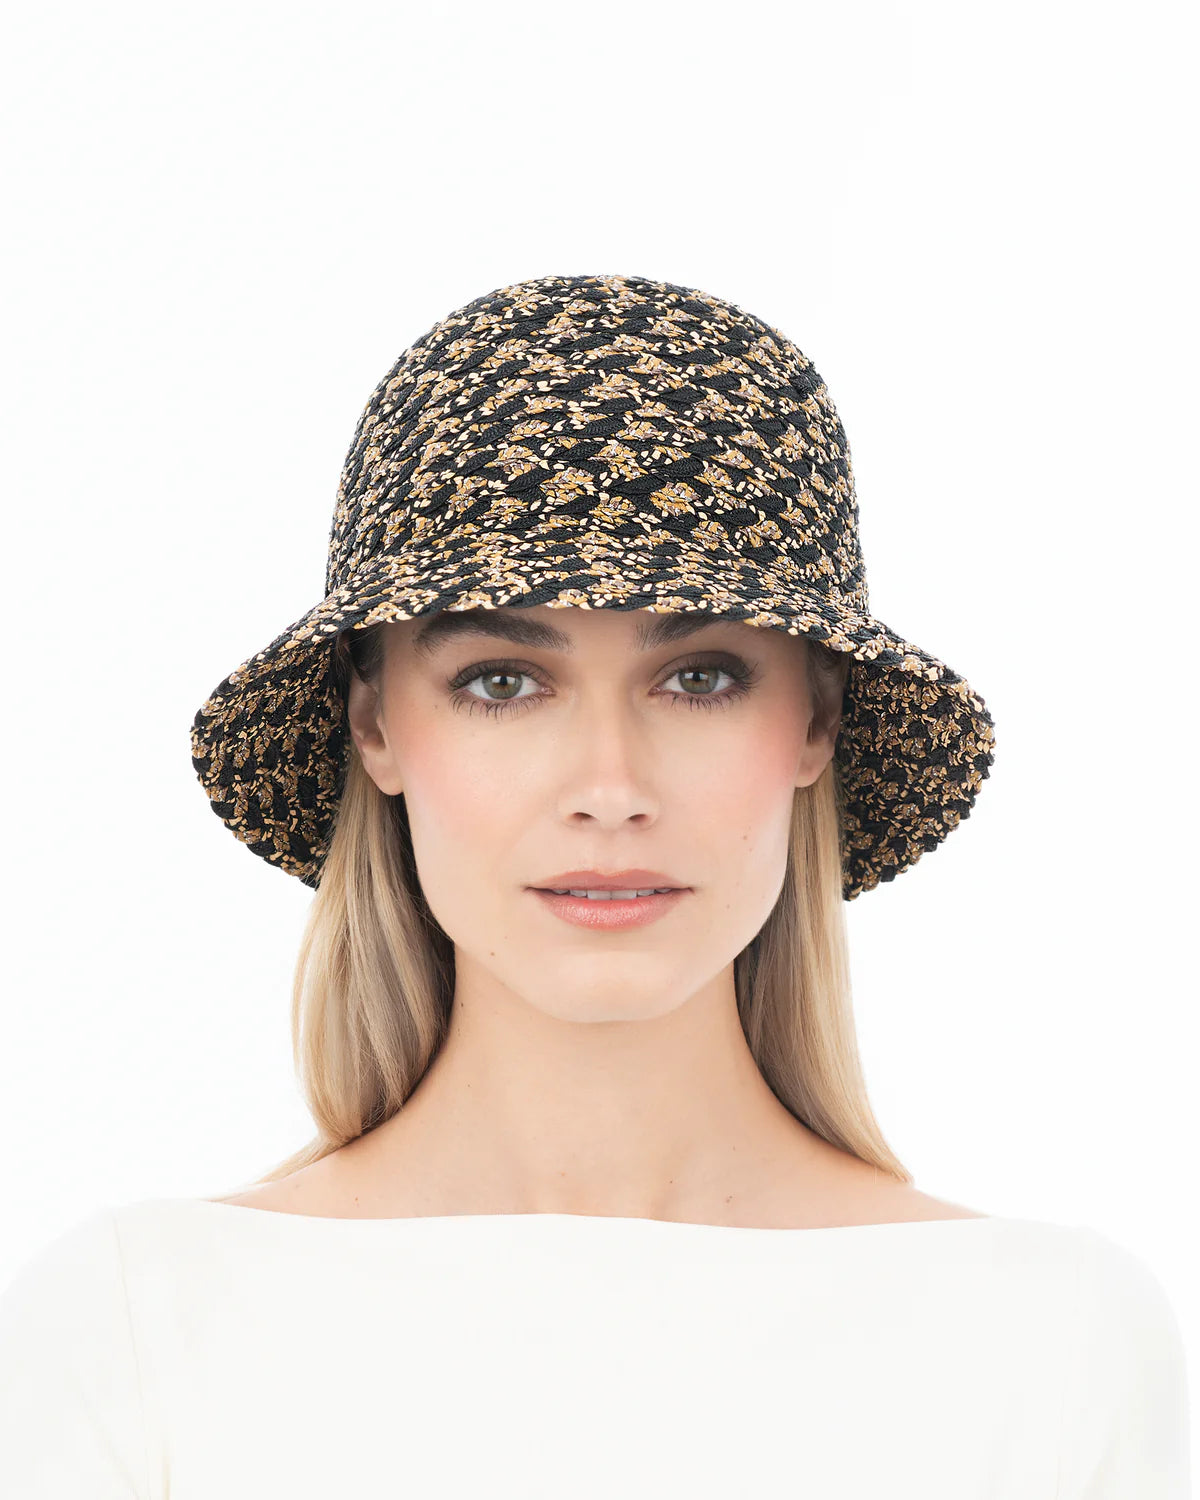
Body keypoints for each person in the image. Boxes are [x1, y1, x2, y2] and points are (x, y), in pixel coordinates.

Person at [0, 272, 1189, 1495]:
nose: (610, 788)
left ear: (816, 722)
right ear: (375, 726)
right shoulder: (137, 1336)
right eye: (504, 681)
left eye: (701, 677)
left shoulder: (1051, 1346)